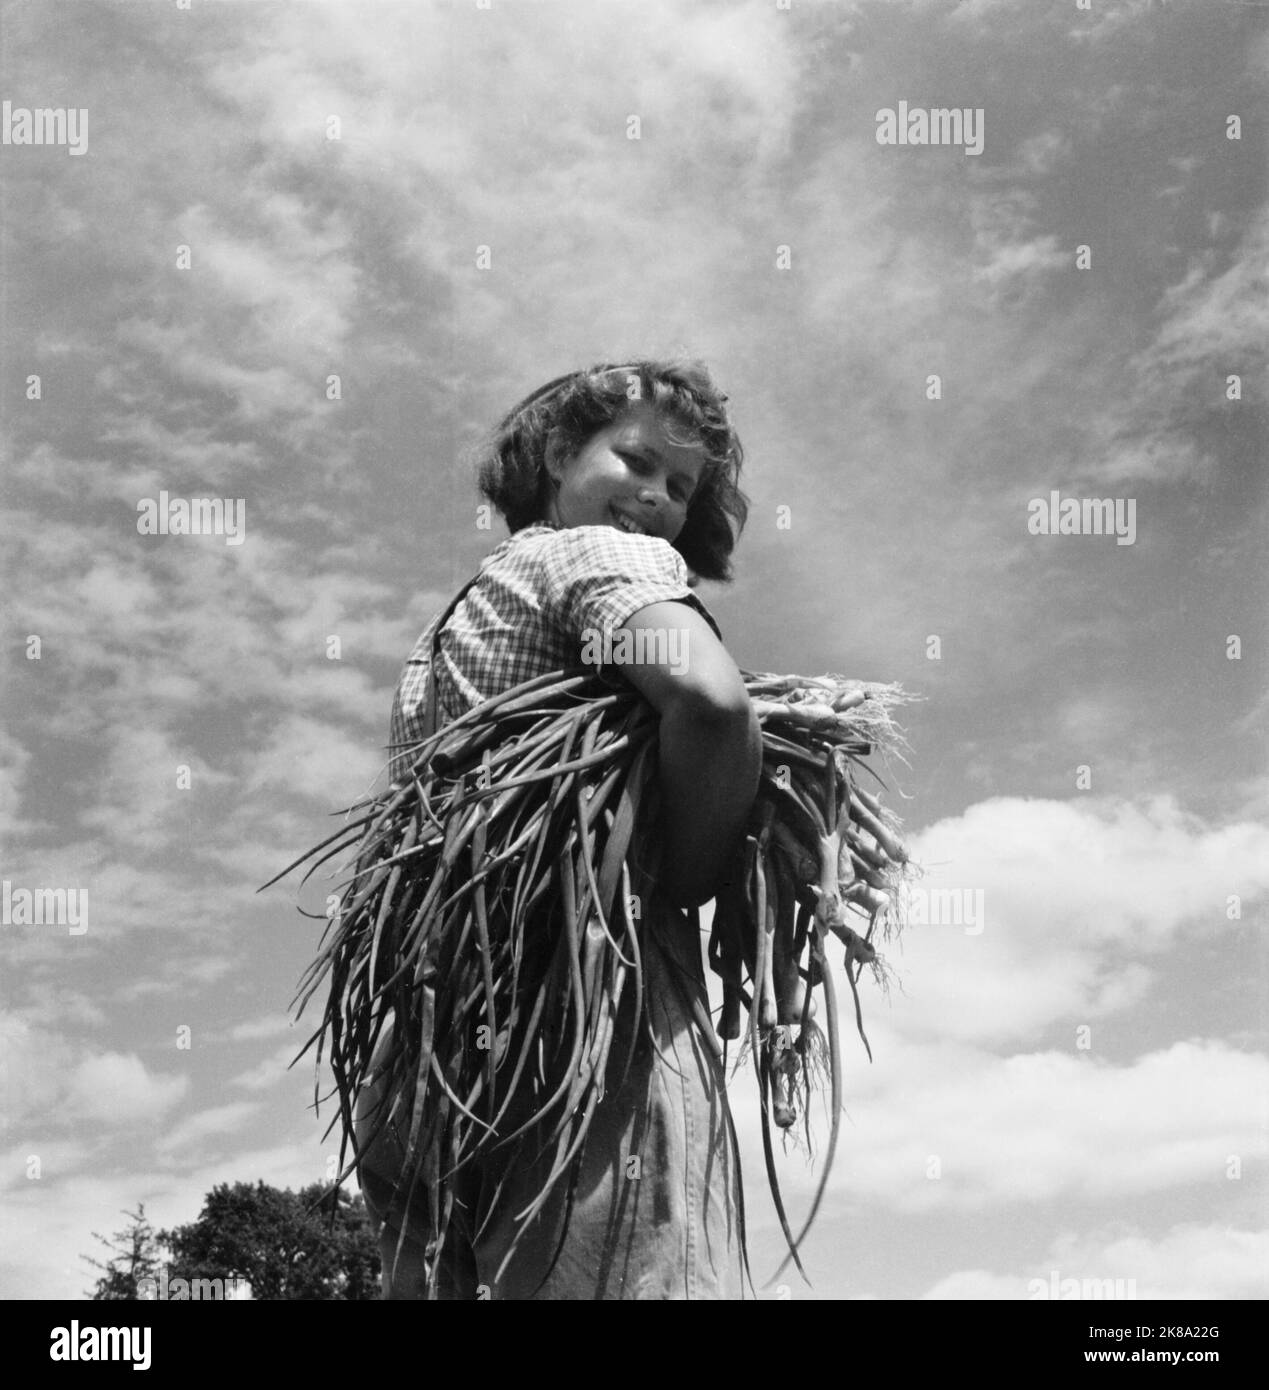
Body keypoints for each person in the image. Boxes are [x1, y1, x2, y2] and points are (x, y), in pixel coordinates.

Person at [354, 359, 762, 1299]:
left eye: (681, 486)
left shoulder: (448, 632)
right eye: (637, 459)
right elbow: (707, 701)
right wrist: (689, 881)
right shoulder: (596, 557)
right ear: (552, 453)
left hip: (425, 1032)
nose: (657, 496)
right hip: (584, 996)